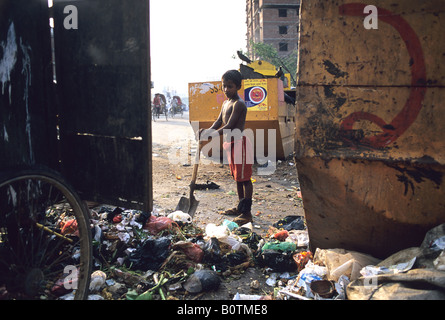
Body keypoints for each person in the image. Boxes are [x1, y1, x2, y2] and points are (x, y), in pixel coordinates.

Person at [198, 70, 254, 225]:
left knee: (245, 179)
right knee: (237, 178)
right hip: (230, 145)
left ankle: (247, 213)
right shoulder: (225, 103)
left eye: (230, 86)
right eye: (224, 86)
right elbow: (218, 122)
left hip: (240, 144)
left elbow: (229, 126)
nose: (226, 90)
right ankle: (240, 207)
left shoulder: (239, 104)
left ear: (238, 87)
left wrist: (211, 136)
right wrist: (207, 131)